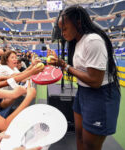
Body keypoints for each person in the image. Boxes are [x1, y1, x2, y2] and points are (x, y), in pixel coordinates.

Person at [50, 5, 121, 150]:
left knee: (90, 145)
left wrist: (66, 66)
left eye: (65, 28)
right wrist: (61, 64)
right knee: (80, 136)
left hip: (100, 95)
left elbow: (95, 81)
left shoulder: (92, 40)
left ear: (78, 23)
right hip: (83, 92)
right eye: (61, 29)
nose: (62, 33)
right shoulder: (77, 42)